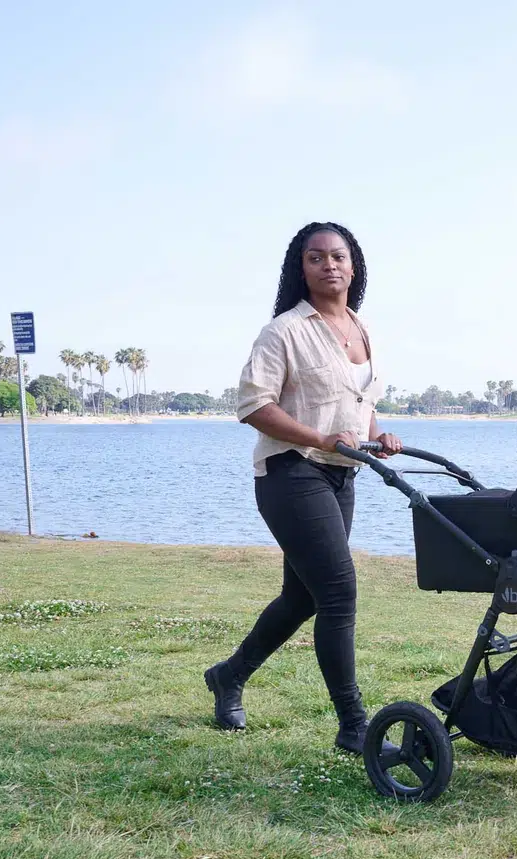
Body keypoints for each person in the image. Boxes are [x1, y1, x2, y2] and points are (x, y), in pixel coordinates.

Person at [204, 221, 402, 753]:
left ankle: (229, 675)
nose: (328, 265)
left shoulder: (362, 328)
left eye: (338, 256)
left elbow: (357, 403)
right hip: (291, 471)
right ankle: (354, 726)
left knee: (301, 597)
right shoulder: (283, 331)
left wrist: (378, 434)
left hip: (340, 473)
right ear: (302, 268)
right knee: (337, 592)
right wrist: (320, 438)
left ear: (354, 266)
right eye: (316, 258)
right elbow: (253, 406)